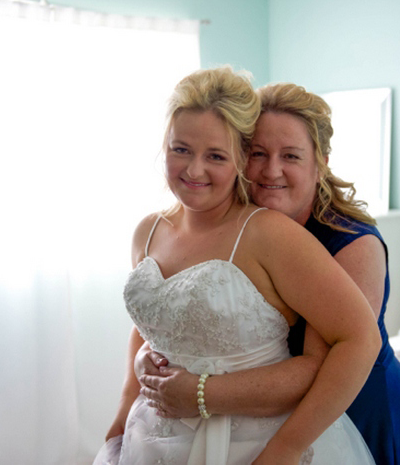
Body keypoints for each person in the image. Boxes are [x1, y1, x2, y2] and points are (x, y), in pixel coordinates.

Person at [94, 67, 380, 465]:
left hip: (255, 440)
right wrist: (122, 414)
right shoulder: (147, 230)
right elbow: (151, 328)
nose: (194, 170)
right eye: (180, 149)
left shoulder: (270, 234)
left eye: (215, 156)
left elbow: (359, 339)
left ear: (239, 160)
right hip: (154, 437)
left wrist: (286, 449)